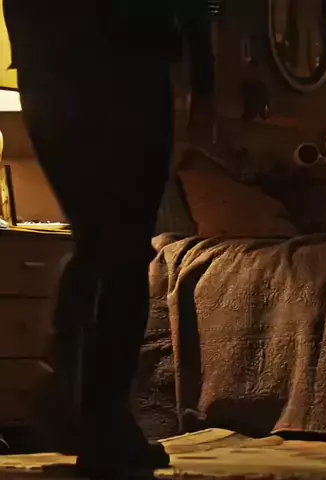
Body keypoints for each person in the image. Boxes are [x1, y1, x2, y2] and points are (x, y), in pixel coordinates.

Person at [3, 1, 215, 477]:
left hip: (49, 64)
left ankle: (77, 392)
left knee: (100, 238)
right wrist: (204, 82)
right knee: (122, 246)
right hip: (125, 59)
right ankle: (99, 417)